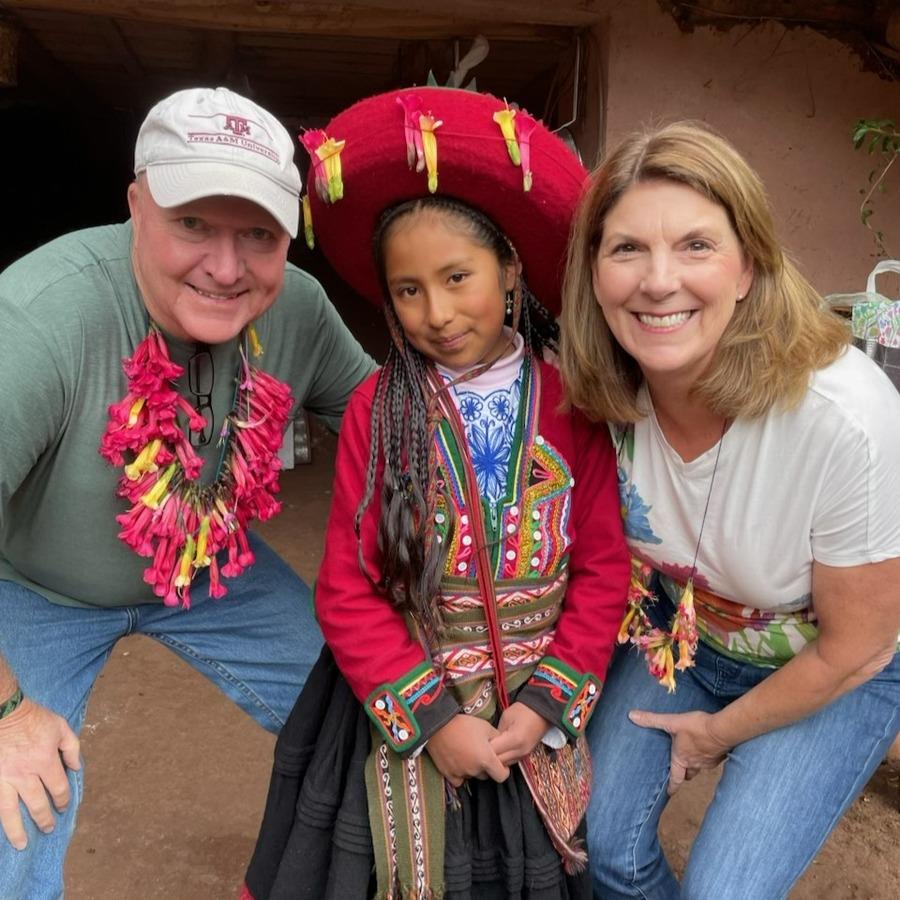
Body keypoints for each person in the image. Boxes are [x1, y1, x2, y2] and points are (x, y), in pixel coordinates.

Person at [241, 87, 631, 900]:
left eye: (458, 277)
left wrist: (547, 704)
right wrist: (435, 722)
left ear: (511, 269)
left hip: (531, 713)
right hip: (414, 706)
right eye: (409, 289)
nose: (438, 313)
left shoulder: (574, 406)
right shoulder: (377, 411)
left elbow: (602, 570)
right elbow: (347, 586)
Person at [0, 86, 374, 898]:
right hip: (34, 590)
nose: (226, 268)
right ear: (137, 207)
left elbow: (392, 432)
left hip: (209, 569)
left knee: (377, 712)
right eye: (193, 223)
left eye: (258, 234)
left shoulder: (300, 310)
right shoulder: (39, 315)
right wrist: (8, 716)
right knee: (16, 817)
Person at [559, 121, 900, 899]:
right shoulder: (603, 397)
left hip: (835, 667)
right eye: (627, 248)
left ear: (748, 266)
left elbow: (856, 648)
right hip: (686, 631)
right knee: (599, 845)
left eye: (696, 246)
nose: (658, 281)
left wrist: (715, 736)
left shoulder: (844, 419)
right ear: (594, 273)